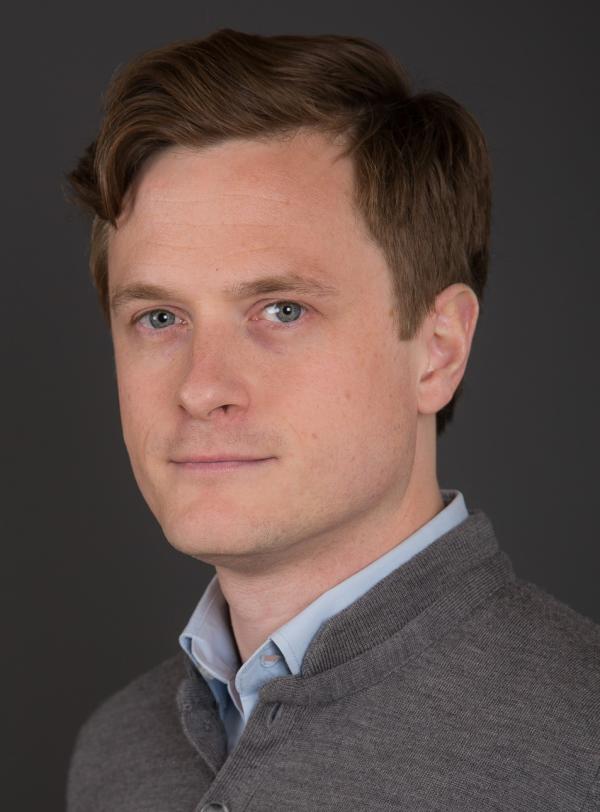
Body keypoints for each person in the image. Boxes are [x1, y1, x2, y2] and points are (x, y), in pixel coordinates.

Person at [64, 27, 600, 812]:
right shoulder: (115, 756)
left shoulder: (580, 750)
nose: (201, 388)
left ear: (438, 350)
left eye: (282, 309)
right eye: (159, 318)